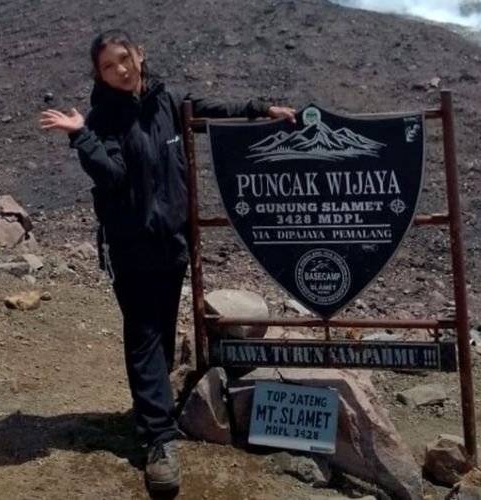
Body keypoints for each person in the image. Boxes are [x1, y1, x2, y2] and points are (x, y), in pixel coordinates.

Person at [39, 29, 296, 493]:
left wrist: (264, 109)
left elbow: (213, 110)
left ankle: (152, 414)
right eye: (107, 66)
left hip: (171, 243)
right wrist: (82, 137)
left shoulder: (169, 101)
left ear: (139, 55)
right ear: (99, 74)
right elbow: (112, 175)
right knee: (143, 335)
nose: (119, 70)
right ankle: (158, 440)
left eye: (123, 59)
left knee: (160, 330)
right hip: (130, 246)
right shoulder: (101, 118)